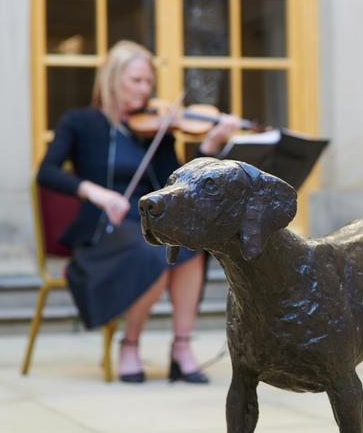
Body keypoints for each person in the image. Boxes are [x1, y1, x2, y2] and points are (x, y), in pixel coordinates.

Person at [37, 40, 240, 383]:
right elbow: (47, 172)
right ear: (112, 79)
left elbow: (174, 182)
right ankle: (129, 344)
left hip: (146, 221)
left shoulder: (154, 130)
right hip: (105, 227)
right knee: (155, 253)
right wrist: (97, 193)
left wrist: (209, 148)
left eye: (148, 82)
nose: (145, 89)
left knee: (189, 248)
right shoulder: (80, 122)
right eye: (136, 80)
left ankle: (181, 347)